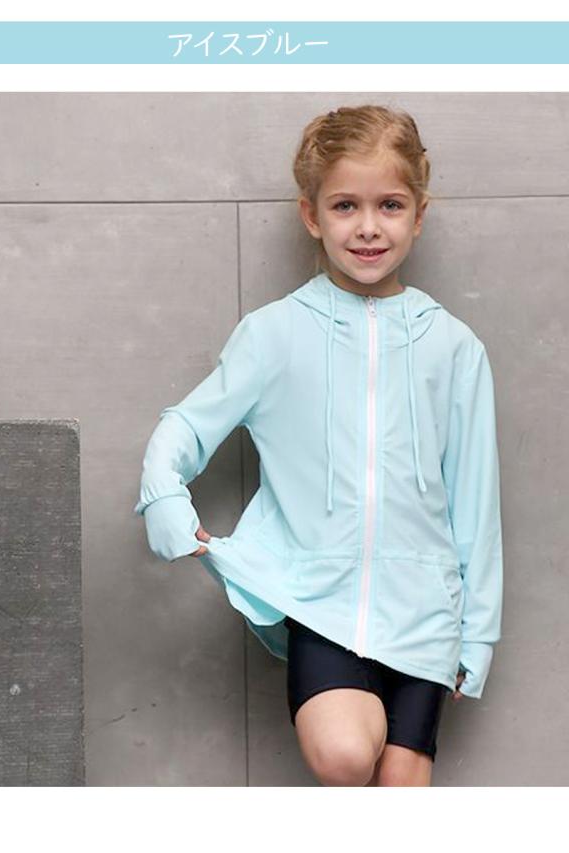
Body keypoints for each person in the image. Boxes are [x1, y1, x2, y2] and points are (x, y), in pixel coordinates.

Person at [134, 104, 503, 787]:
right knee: (343, 756)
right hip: (319, 604)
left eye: (390, 205)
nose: (368, 226)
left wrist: (477, 634)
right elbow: (187, 424)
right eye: (345, 205)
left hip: (427, 617)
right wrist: (163, 497)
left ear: (419, 215)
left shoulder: (455, 347)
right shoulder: (274, 334)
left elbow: (476, 503)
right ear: (312, 215)